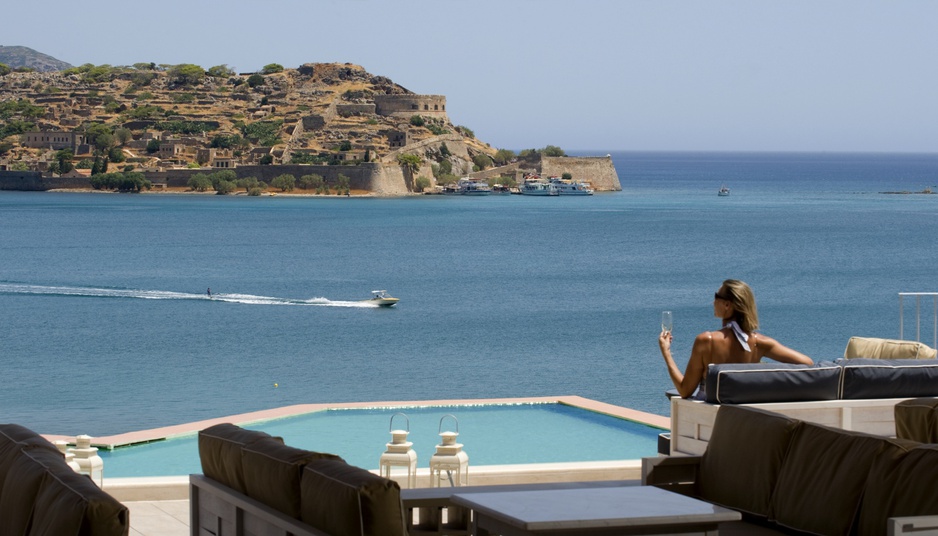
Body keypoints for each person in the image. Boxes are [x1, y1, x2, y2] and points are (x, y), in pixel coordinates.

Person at [658, 279, 813, 400]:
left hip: (710, 418)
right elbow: (807, 363)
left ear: (727, 304)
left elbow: (685, 390)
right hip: (742, 417)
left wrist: (666, 352)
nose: (713, 302)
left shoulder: (707, 341)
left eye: (716, 297)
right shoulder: (760, 343)